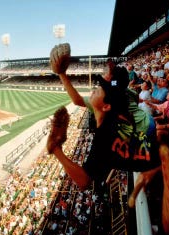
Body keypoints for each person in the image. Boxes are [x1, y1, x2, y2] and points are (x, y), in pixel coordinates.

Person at [50, 56, 159, 190]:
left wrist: (56, 149)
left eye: (102, 88)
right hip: (151, 132)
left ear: (106, 106)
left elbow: (84, 182)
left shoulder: (104, 139)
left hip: (158, 159)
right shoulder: (122, 101)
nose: (96, 89)